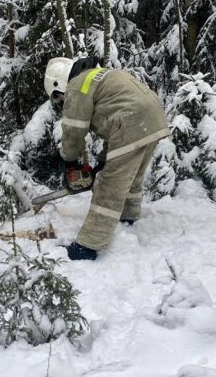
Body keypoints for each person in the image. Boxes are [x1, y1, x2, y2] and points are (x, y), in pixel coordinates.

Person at [44, 56, 170, 260]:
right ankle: (127, 217)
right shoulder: (99, 75)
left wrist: (69, 163)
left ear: (60, 83)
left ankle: (88, 245)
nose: (62, 101)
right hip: (153, 118)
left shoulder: (77, 85)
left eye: (59, 97)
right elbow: (114, 122)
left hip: (130, 121)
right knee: (132, 175)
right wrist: (101, 163)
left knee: (109, 185)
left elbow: (74, 129)